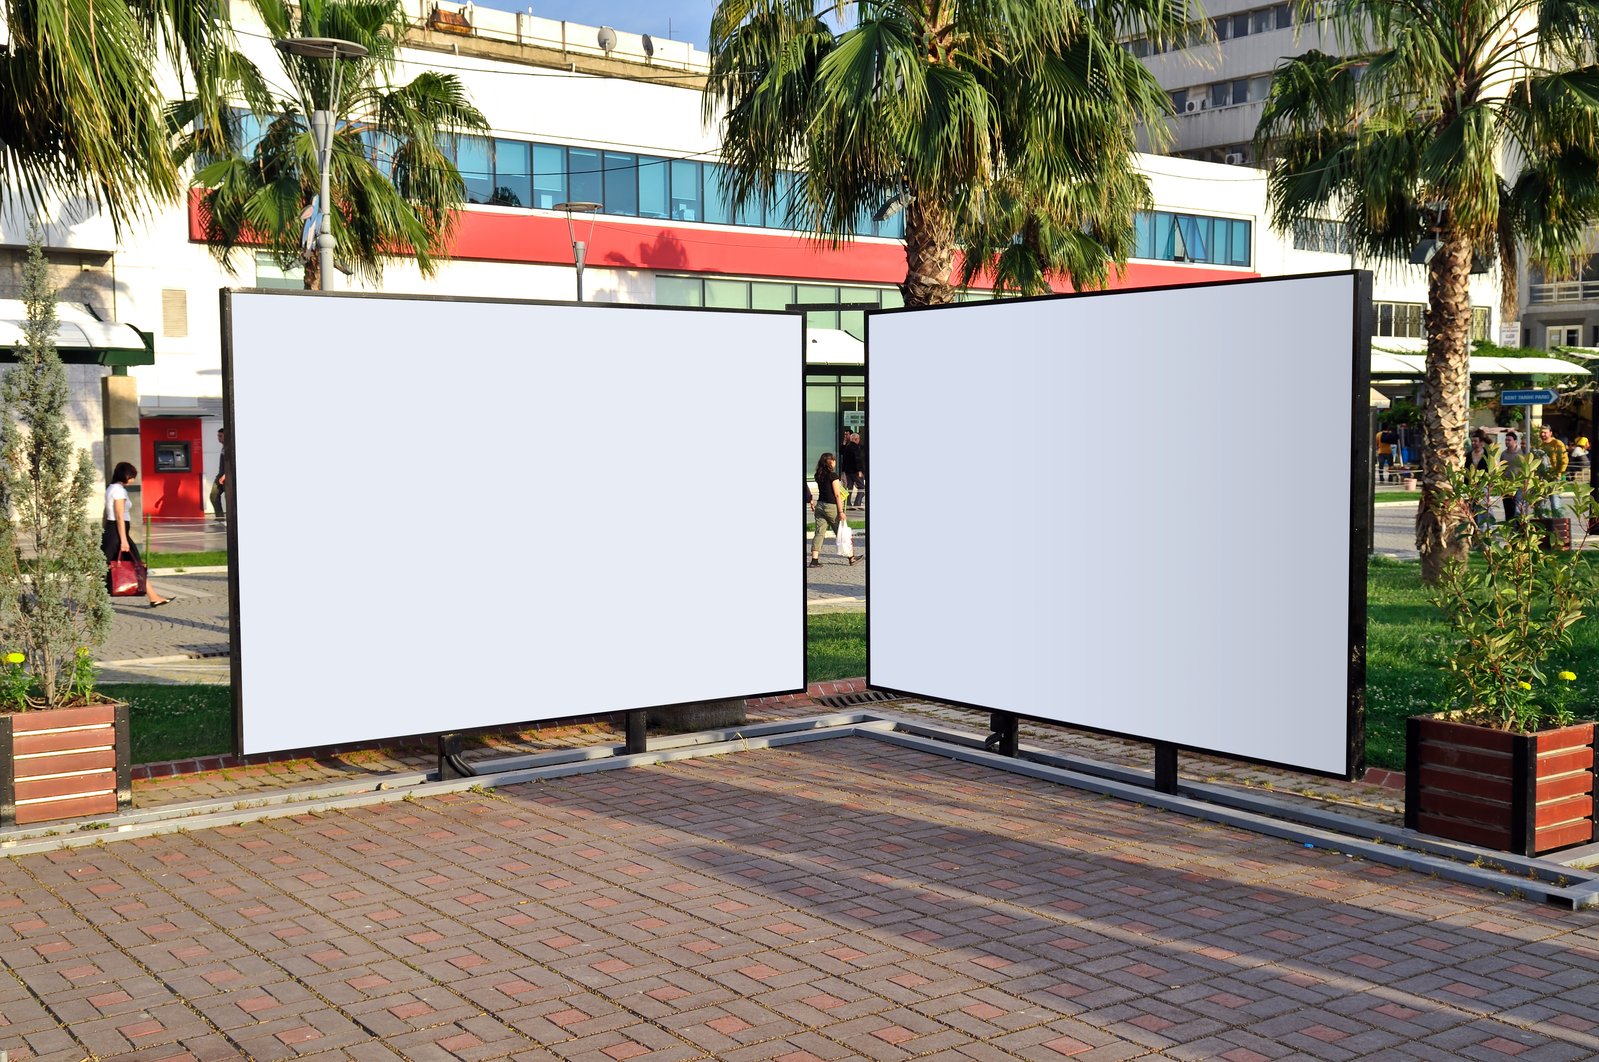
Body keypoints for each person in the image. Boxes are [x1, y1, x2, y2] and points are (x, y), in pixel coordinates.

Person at [104, 462, 171, 607]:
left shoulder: (111, 488)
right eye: (132, 476)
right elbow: (119, 516)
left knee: (132, 564)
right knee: (120, 565)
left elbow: (106, 513)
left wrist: (106, 531)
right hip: (118, 532)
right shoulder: (119, 491)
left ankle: (154, 597)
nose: (133, 480)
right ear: (125, 475)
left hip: (113, 531)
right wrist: (123, 540)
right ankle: (93, 599)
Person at [809, 452, 861, 568]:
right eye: (833, 460)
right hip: (831, 507)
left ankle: (814, 560)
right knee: (841, 531)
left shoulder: (818, 475)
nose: (835, 462)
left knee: (819, 533)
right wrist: (841, 512)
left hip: (820, 505)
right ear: (830, 462)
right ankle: (851, 557)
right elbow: (837, 495)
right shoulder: (833, 476)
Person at [1501, 431, 1524, 521]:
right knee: (1508, 507)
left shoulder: (1521, 453)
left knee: (1518, 507)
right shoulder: (1504, 454)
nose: (1507, 442)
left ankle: (1518, 527)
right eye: (1506, 440)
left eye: (1509, 440)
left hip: (1518, 484)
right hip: (1506, 484)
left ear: (1515, 441)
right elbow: (1502, 468)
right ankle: (1509, 527)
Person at [209, 427, 229, 522]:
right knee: (213, 495)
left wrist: (225, 475)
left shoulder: (230, 447)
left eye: (220, 436)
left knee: (229, 498)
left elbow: (233, 463)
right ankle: (220, 517)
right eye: (218, 436)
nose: (218, 438)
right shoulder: (224, 446)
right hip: (220, 475)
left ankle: (232, 519)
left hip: (227, 476)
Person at [840, 430, 864, 503]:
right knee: (861, 487)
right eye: (858, 439)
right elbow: (858, 459)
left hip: (848, 471)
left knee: (849, 487)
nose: (859, 440)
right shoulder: (856, 447)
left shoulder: (847, 447)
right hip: (855, 471)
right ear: (856, 439)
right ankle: (857, 502)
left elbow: (843, 457)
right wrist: (860, 470)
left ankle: (848, 503)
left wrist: (843, 470)